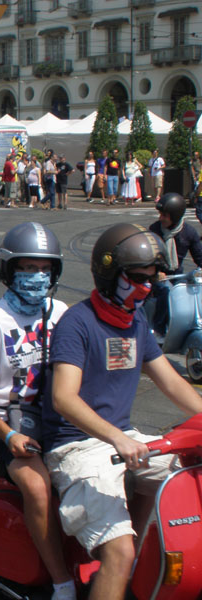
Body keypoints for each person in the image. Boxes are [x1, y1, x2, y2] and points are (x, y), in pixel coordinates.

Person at [42, 223, 202, 600]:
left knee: (189, 471)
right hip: (76, 448)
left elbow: (172, 382)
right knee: (119, 552)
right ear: (110, 273)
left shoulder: (136, 322)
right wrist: (115, 436)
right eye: (137, 277)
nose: (147, 286)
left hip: (124, 441)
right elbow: (64, 398)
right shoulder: (77, 323)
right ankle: (120, 567)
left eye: (152, 277)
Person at [0, 222, 74, 600]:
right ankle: (61, 581)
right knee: (37, 485)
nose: (36, 277)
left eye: (44, 269)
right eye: (27, 269)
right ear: (10, 271)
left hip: (55, 411)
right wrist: (8, 435)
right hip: (7, 417)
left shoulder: (60, 312)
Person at [148, 192, 202, 338]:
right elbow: (148, 257)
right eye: (160, 214)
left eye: (164, 215)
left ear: (176, 215)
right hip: (156, 276)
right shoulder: (155, 230)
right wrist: (156, 272)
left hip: (177, 274)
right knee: (166, 292)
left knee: (190, 293)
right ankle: (159, 329)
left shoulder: (189, 232)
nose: (161, 218)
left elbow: (199, 256)